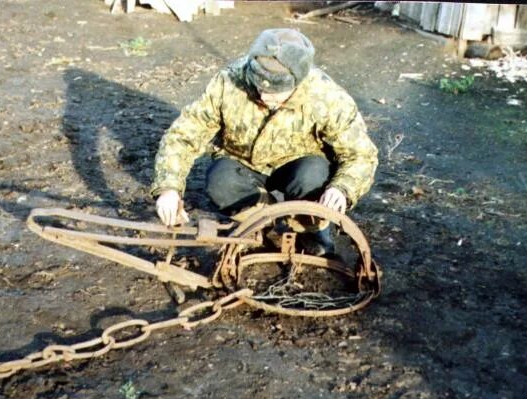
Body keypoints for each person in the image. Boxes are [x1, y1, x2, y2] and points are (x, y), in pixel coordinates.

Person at [151, 28, 378, 256]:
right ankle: (258, 221)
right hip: (242, 162)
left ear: (297, 81)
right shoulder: (229, 81)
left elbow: (361, 155)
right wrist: (168, 187)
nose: (263, 96)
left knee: (313, 177)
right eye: (259, 85)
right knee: (220, 182)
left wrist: (342, 189)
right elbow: (184, 134)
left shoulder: (327, 97)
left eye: (277, 91)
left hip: (299, 165)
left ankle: (308, 229)